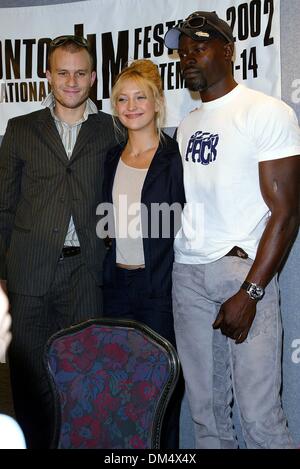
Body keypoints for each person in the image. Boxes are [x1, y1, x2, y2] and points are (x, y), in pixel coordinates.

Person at [164, 11, 300, 449]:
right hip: (187, 274)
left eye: (198, 49)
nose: (188, 59)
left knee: (259, 417)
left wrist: (252, 292)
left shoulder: (265, 111)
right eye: (182, 53)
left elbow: (287, 213)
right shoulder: (187, 125)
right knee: (205, 416)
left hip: (241, 273)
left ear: (228, 50)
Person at [0, 35, 116, 448]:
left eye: (80, 73)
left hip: (87, 274)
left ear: (93, 77)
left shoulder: (112, 129)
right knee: (30, 382)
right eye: (62, 72)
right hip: (28, 275)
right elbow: (3, 207)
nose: (71, 81)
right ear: (47, 75)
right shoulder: (20, 129)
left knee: (85, 379)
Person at [102, 59, 185, 448]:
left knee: (160, 390)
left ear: (157, 103)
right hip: (117, 289)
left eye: (140, 97)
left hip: (160, 292)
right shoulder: (110, 158)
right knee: (122, 391)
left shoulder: (174, 160)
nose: (131, 106)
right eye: (122, 99)